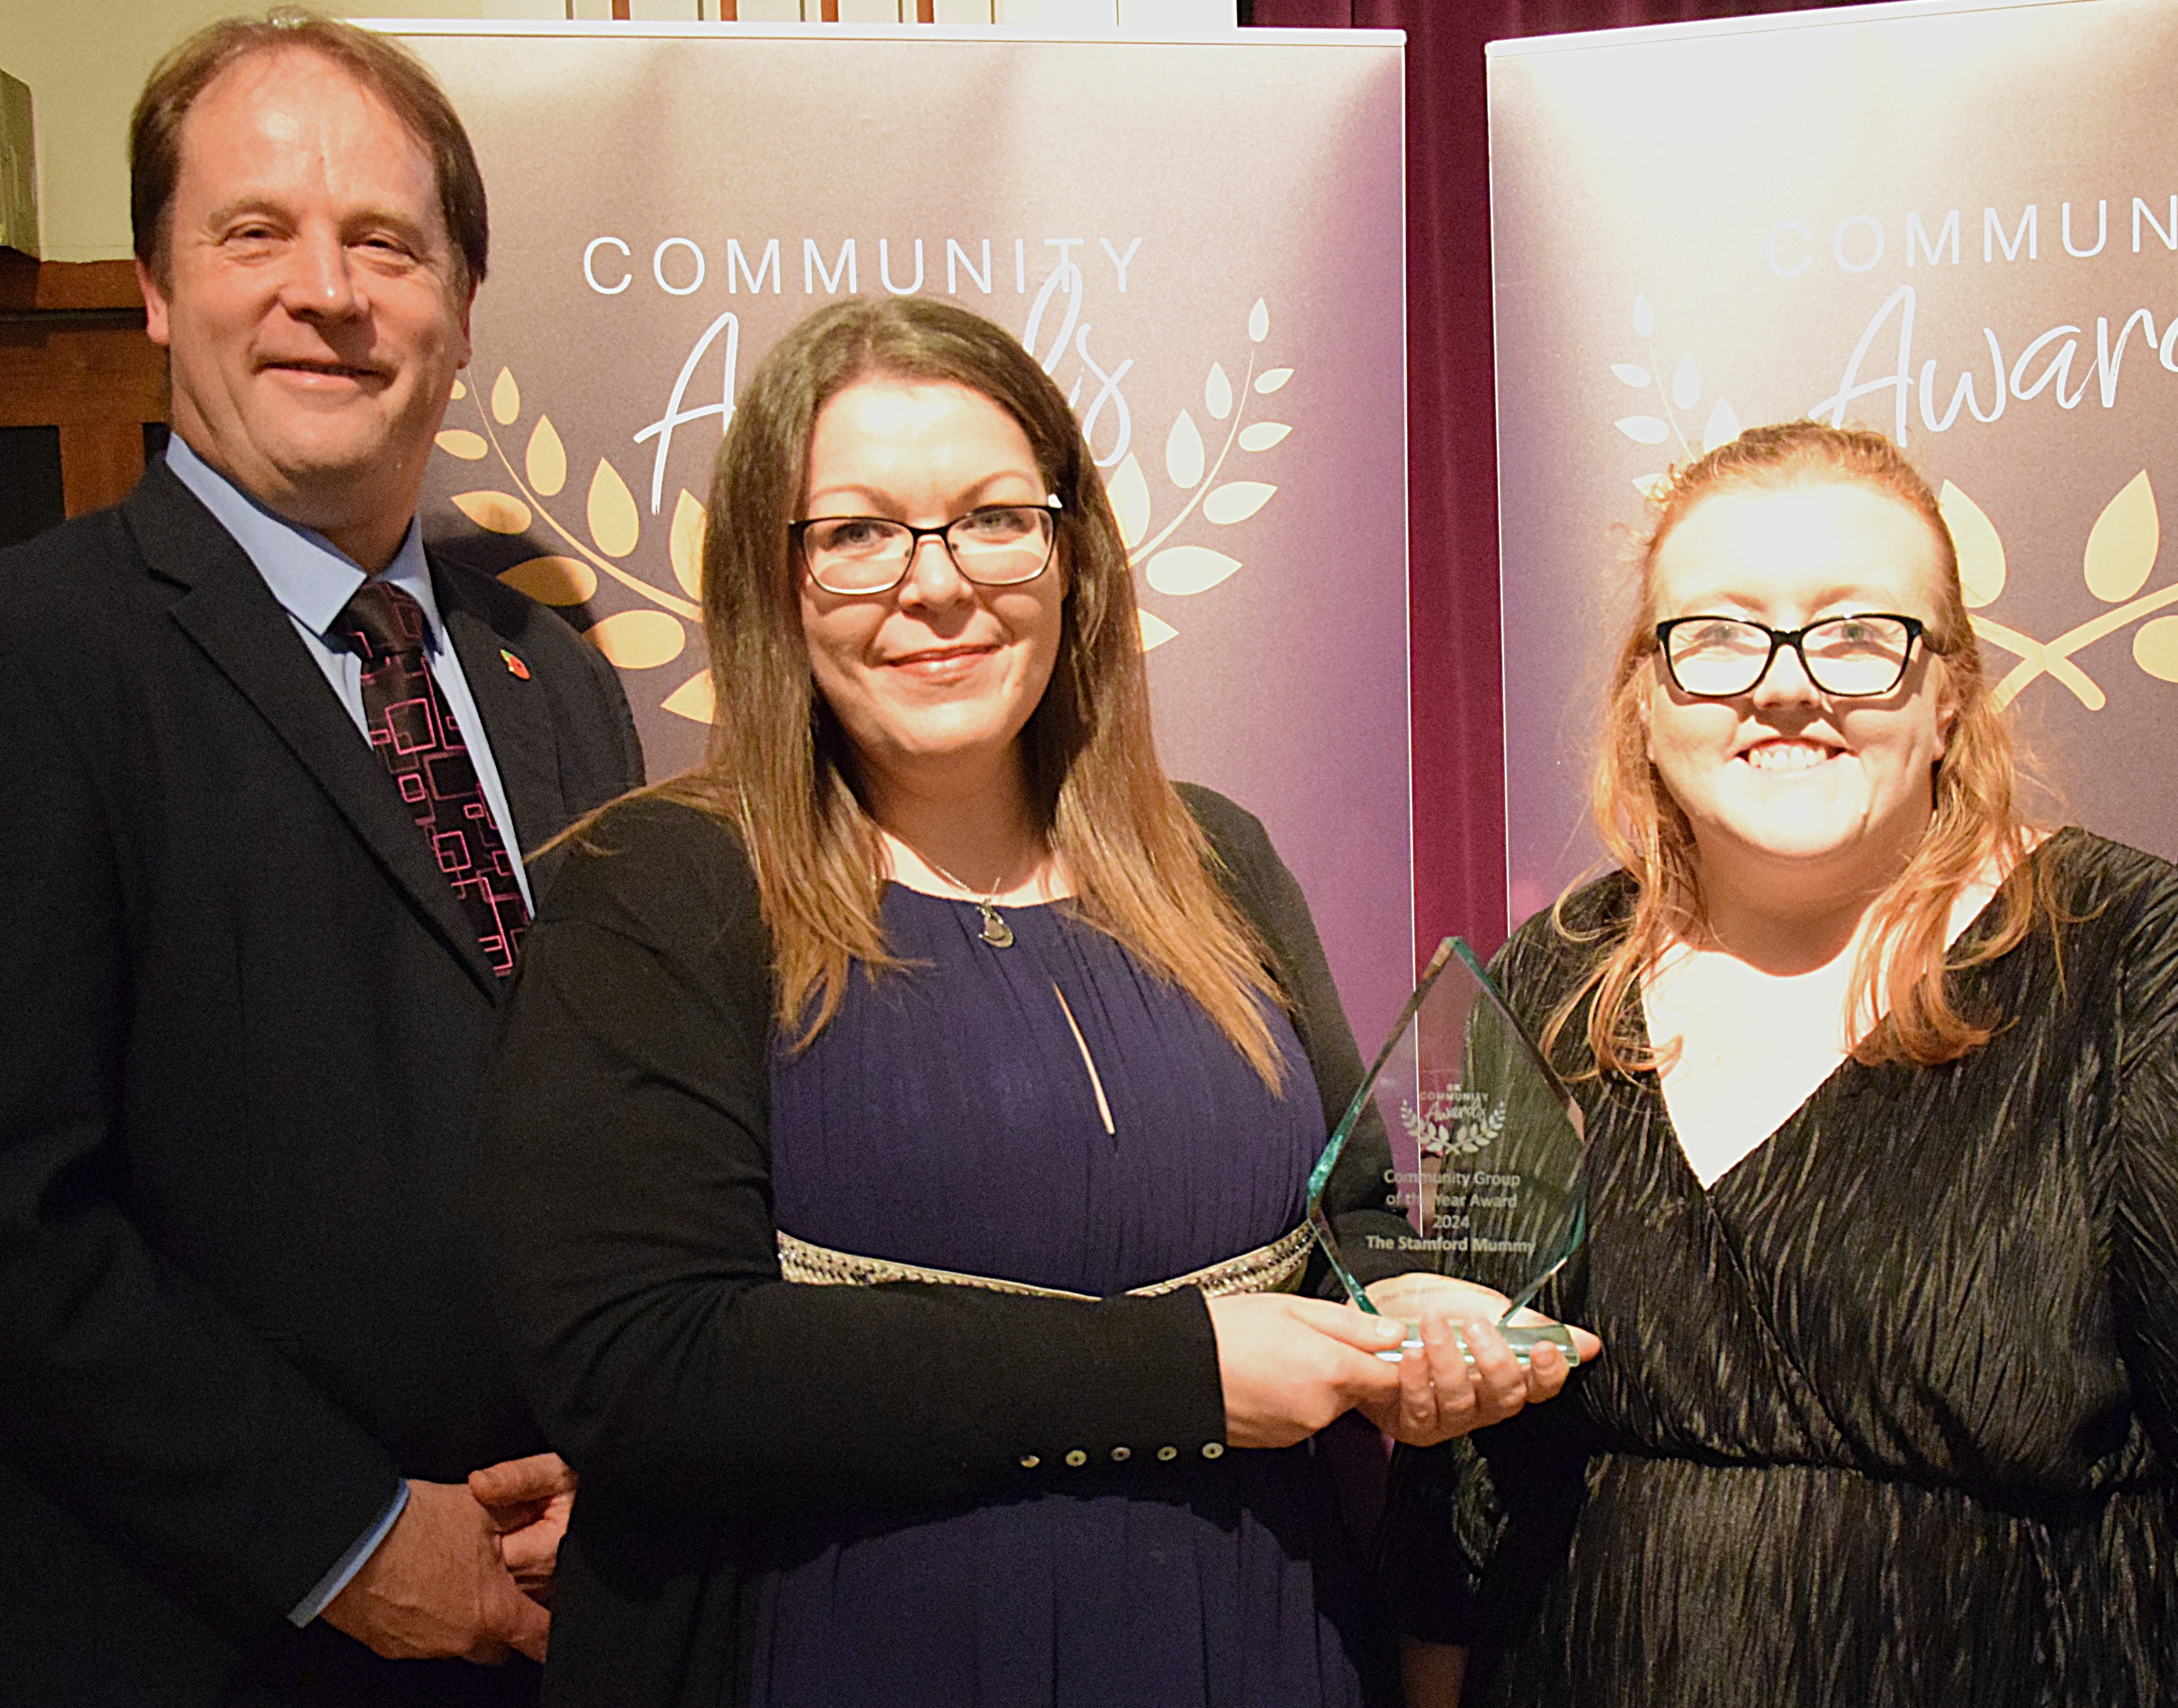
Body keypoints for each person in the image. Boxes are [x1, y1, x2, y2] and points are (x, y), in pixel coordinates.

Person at [475, 295, 1591, 1708]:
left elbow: (1341, 1216)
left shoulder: (1216, 859)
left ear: (1074, 559)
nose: (937, 586)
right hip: (845, 1645)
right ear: (773, 579)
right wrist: (1177, 1375)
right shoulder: (662, 890)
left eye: (997, 518)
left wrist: (1409, 1313)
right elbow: (648, 1370)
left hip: (1252, 1640)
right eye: (860, 532)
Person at [1383, 420, 2178, 1708]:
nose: (1787, 685)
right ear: (1647, 697)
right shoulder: (1548, 990)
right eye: (1718, 633)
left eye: (1855, 632)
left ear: (1949, 694)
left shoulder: (2125, 973)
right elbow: (1461, 1481)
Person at [0, 12, 647, 1705]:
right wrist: (347, 1534)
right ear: (154, 286)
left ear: (459, 307)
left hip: (564, 1610)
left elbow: (612, 1121)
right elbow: (17, 1216)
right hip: (199, 1629)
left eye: (385, 242)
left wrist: (632, 1445)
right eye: (253, 232)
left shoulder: (558, 676)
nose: (329, 290)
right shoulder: (37, 656)